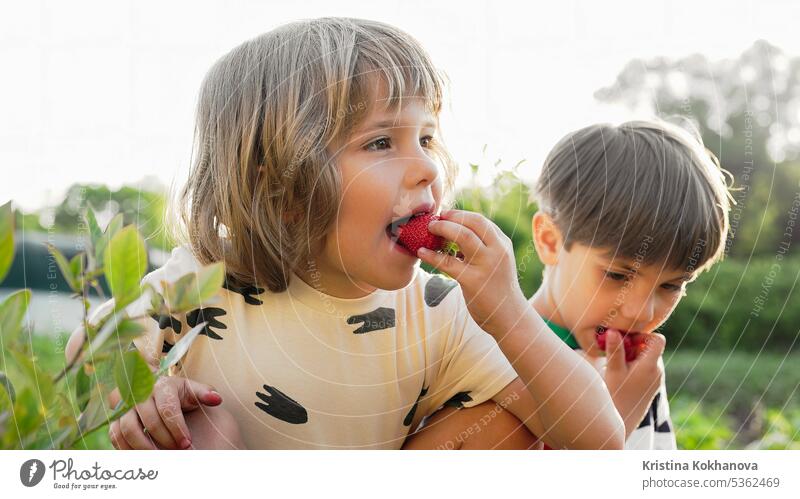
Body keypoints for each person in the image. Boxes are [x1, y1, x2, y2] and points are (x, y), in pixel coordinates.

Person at [66, 17, 624, 450]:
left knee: (508, 421)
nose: (427, 168)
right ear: (280, 184)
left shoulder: (438, 309)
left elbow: (600, 439)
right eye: (381, 143)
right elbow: (91, 349)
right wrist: (139, 392)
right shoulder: (205, 281)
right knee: (202, 426)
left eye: (426, 138)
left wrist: (508, 313)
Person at [526, 120, 733, 449]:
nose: (640, 312)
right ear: (550, 241)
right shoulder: (500, 359)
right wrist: (614, 418)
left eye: (671, 286)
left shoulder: (639, 372)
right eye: (617, 275)